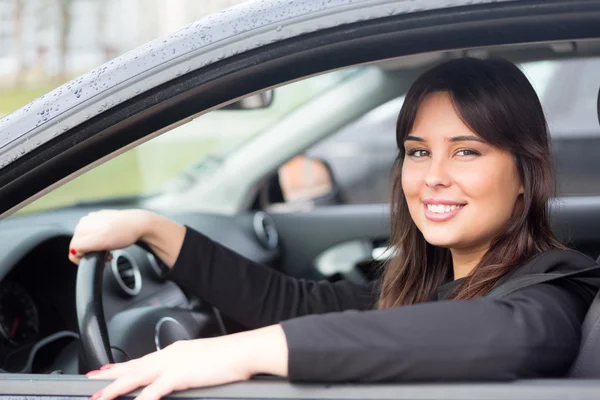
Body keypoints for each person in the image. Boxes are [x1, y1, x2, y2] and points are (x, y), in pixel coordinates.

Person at [69, 57, 600, 400]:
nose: (433, 176)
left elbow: (506, 336)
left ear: (524, 175)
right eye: (418, 152)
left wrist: (236, 352)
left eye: (466, 151)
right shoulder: (428, 287)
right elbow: (294, 304)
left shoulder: (552, 292)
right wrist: (154, 228)